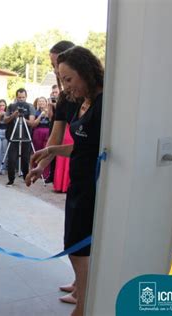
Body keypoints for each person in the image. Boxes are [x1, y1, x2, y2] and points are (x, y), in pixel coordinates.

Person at [26, 45, 104, 316]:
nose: (65, 86)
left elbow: (99, 152)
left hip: (93, 187)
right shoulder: (82, 102)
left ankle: (83, 307)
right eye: (61, 79)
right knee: (73, 246)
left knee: (79, 249)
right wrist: (49, 153)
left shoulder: (105, 103)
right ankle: (83, 299)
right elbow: (80, 148)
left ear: (86, 71)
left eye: (68, 79)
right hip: (78, 183)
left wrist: (52, 150)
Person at [4, 88, 36, 185]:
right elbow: (5, 120)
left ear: (26, 97)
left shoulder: (30, 107)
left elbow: (32, 123)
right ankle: (11, 179)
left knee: (25, 159)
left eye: (23, 97)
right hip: (13, 136)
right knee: (12, 159)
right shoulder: (11, 106)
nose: (21, 99)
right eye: (19, 97)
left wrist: (22, 118)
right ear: (16, 97)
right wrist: (13, 115)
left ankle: (26, 177)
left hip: (25, 137)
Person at [31, 97, 52, 179]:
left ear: (46, 102)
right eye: (40, 101)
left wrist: (48, 114)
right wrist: (40, 115)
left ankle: (45, 173)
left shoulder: (50, 111)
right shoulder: (35, 112)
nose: (41, 103)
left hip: (47, 133)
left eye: (43, 101)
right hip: (37, 132)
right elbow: (34, 124)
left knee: (46, 152)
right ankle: (35, 171)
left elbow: (52, 122)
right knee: (37, 151)